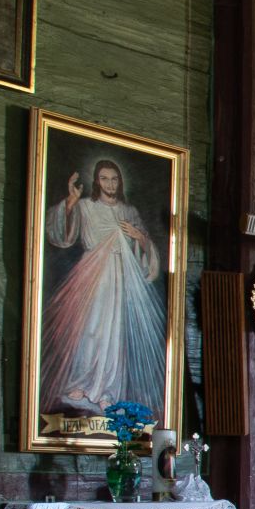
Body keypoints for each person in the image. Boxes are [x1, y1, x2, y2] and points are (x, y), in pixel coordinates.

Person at [40, 156, 167, 418]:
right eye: (104, 178)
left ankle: (107, 392)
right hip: (92, 275)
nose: (110, 184)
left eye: (114, 179)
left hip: (120, 277)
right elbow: (61, 235)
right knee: (90, 330)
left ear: (120, 182)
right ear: (97, 181)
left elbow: (147, 251)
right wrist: (70, 203)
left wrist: (140, 237)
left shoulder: (129, 212)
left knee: (115, 336)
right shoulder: (86, 206)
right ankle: (81, 383)